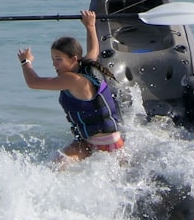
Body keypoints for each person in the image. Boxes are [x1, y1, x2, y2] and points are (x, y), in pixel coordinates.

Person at [17, 9, 124, 163]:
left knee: (57, 164)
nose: (54, 64)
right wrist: (90, 26)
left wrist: (25, 62)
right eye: (53, 59)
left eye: (58, 59)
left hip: (107, 145)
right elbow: (94, 50)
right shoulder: (87, 65)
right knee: (60, 161)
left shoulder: (72, 79)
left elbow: (33, 83)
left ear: (74, 59)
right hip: (92, 142)